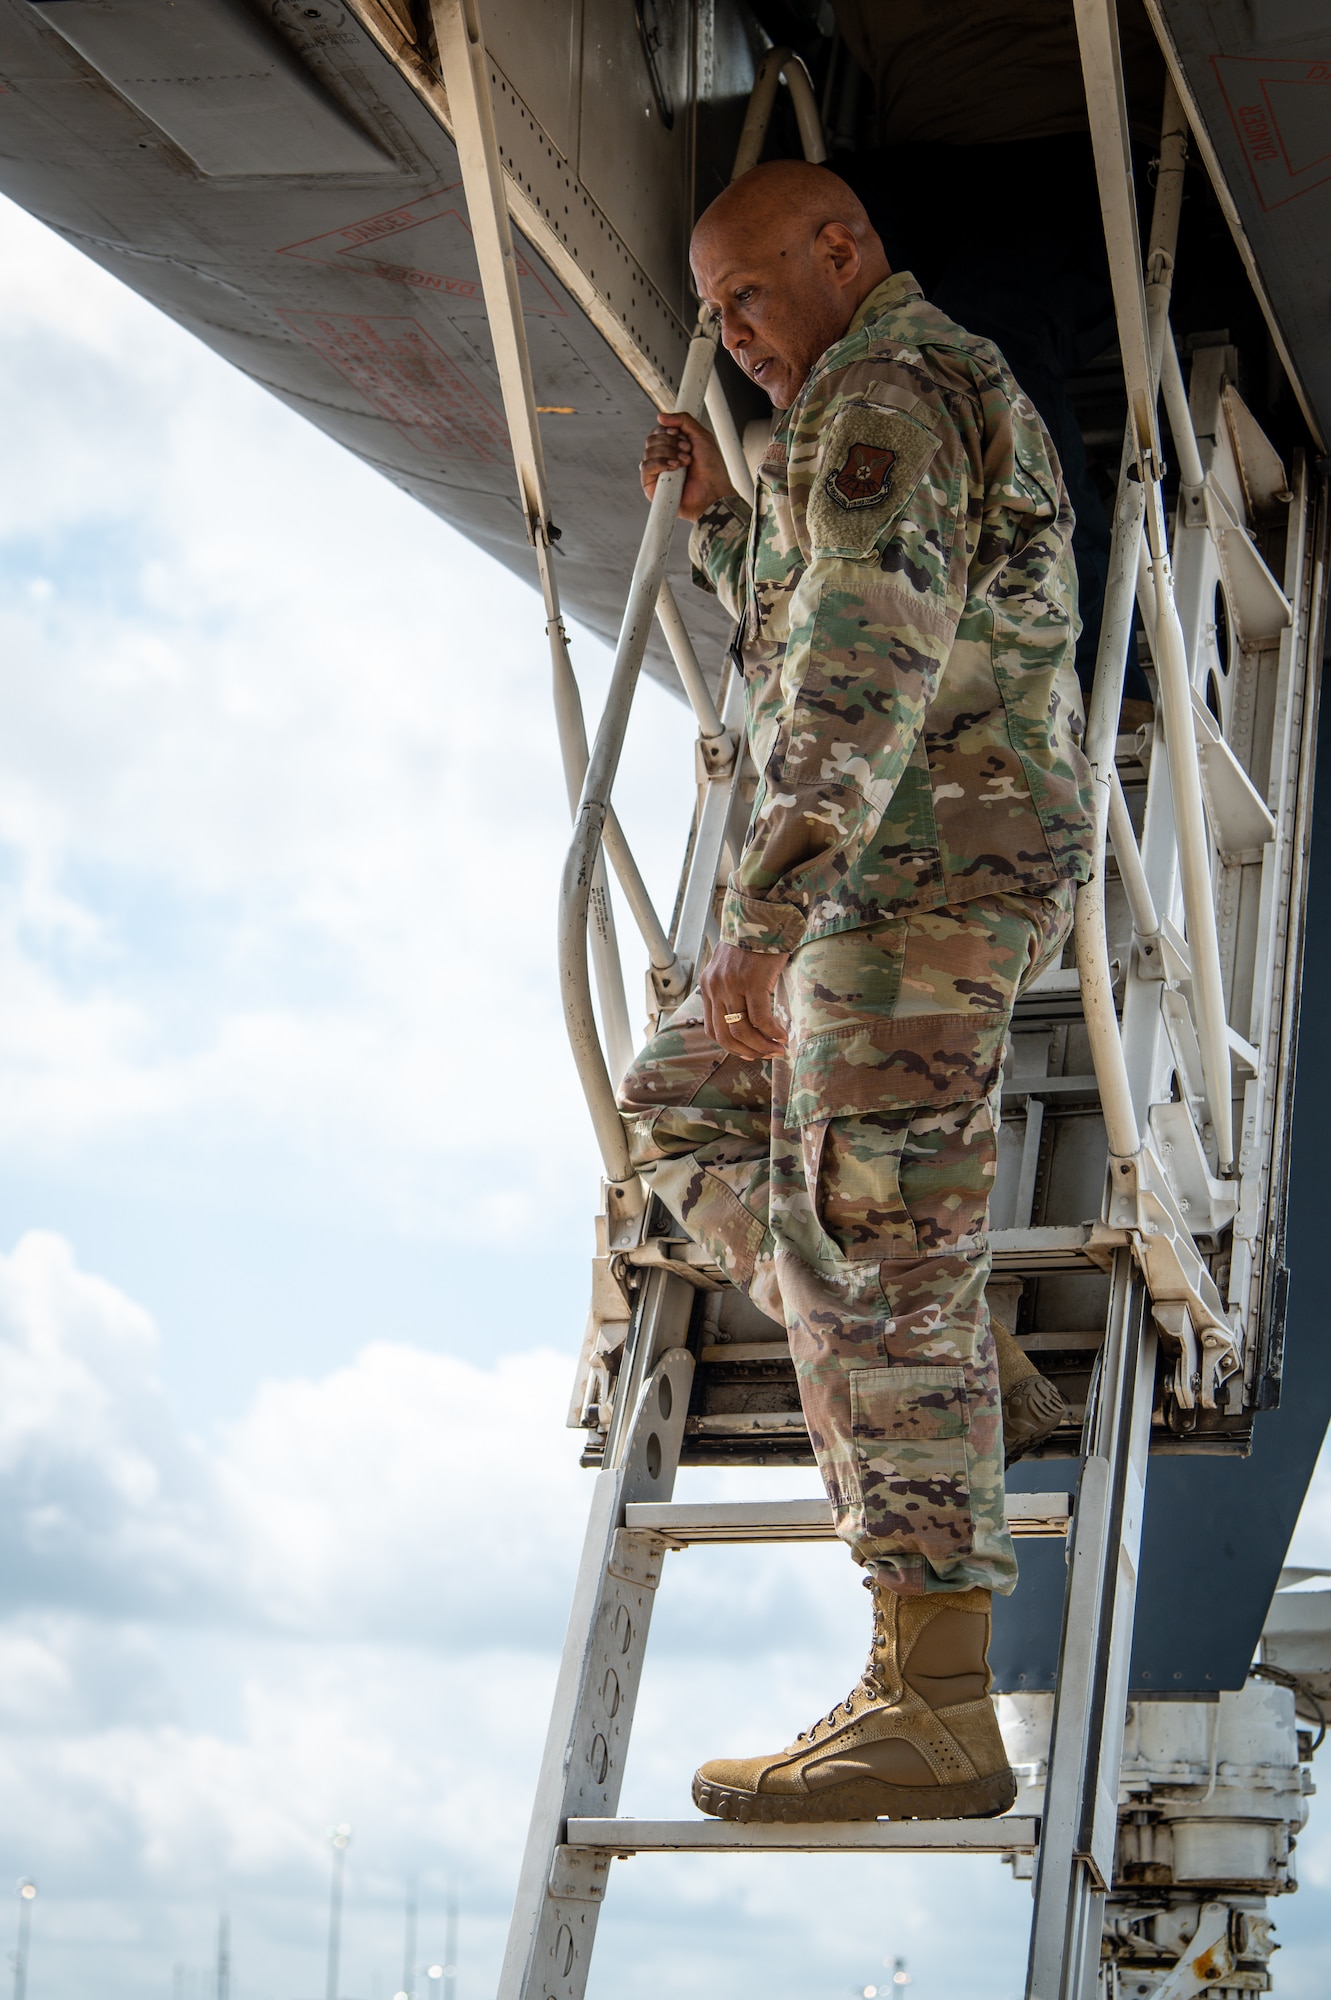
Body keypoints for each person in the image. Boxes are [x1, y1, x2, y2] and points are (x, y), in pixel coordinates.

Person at [620, 160, 1095, 1823]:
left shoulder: (887, 385)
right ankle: (934, 1345)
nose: (732, 335)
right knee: (679, 1111)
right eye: (713, 314)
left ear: (843, 249)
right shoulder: (863, 407)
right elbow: (837, 597)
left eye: (747, 294)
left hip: (916, 874)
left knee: (857, 1228)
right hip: (906, 870)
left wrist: (768, 904)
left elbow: (866, 654)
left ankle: (933, 1698)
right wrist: (726, 525)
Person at [831, 0, 1165, 716]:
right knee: (810, 291)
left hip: (1084, 143)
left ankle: (1085, 673)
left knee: (990, 333)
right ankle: (848, 659)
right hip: (914, 168)